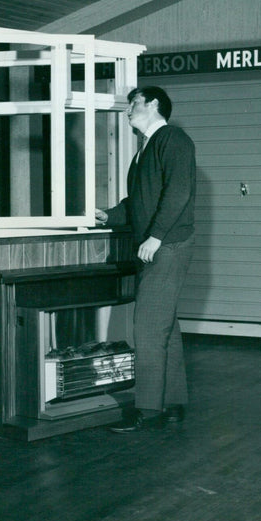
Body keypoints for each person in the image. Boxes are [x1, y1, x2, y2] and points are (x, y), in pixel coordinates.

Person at [95, 85, 195, 433]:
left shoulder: (173, 139)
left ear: (153, 105)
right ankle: (173, 404)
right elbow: (137, 202)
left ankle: (148, 409)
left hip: (166, 247)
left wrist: (155, 236)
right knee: (163, 327)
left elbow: (178, 191)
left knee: (148, 328)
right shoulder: (144, 151)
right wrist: (108, 215)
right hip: (157, 247)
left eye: (133, 104)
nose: (127, 111)